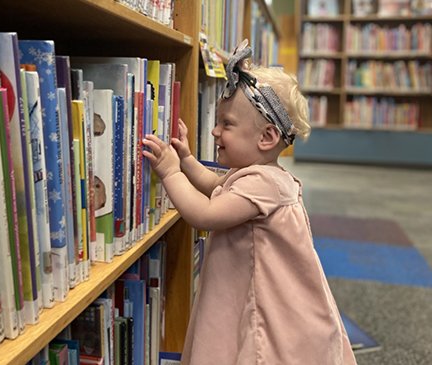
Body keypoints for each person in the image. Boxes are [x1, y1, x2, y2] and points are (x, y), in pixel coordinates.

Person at [142, 40, 357, 365]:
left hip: (270, 306)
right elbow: (214, 184)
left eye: (227, 124)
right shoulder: (256, 176)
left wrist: (170, 172)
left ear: (266, 137)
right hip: (252, 291)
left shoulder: (262, 184)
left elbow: (205, 214)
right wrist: (186, 159)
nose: (214, 131)